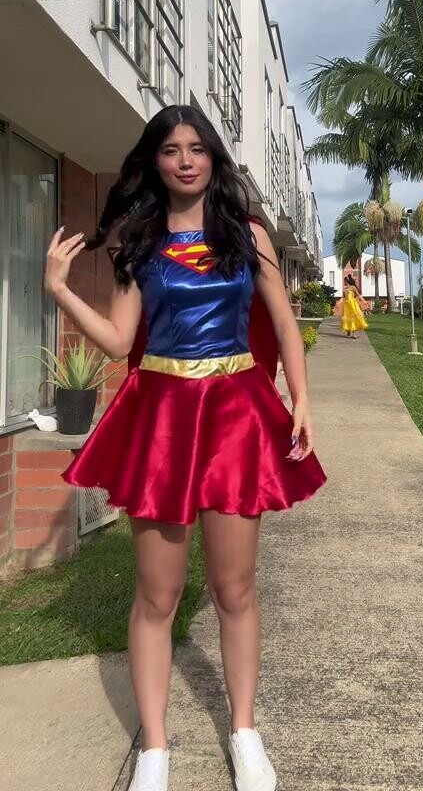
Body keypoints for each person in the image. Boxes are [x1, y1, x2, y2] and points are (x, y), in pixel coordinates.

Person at [44, 104, 327, 791]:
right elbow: (119, 341)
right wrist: (57, 289)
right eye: (171, 149)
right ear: (156, 160)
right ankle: (155, 749)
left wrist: (301, 398)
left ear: (213, 157)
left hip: (236, 418)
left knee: (234, 588)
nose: (186, 160)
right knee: (157, 594)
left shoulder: (247, 233)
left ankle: (244, 731)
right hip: (164, 421)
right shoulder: (138, 243)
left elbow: (283, 322)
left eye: (197, 148)